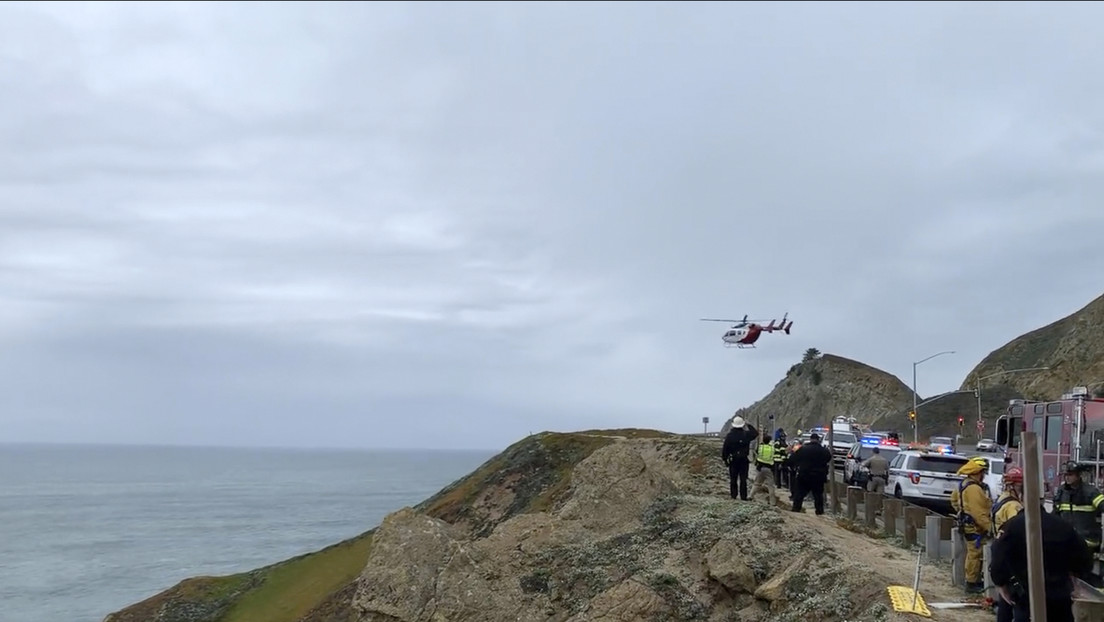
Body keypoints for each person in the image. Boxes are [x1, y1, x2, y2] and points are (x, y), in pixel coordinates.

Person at [990, 502, 1095, 622]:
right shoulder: (1063, 525)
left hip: (1025, 596)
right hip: (1059, 595)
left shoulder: (1012, 526)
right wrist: (1076, 575)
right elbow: (1084, 557)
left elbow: (998, 555)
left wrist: (1000, 583)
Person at [1052, 461, 1104, 586]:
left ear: (1078, 475)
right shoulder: (1061, 493)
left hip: (1087, 541)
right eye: (1066, 475)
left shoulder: (1090, 492)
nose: (1067, 477)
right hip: (1067, 541)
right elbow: (1055, 515)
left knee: (1083, 574)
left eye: (1070, 474)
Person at [950, 456, 993, 593]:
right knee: (975, 553)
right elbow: (979, 513)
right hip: (976, 527)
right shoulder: (974, 489)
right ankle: (971, 583)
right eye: (983, 473)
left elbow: (954, 501)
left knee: (972, 553)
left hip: (968, 525)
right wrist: (991, 529)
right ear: (978, 472)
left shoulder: (963, 484)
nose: (984, 476)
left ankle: (973, 580)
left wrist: (962, 512)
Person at [990, 467, 1026, 622]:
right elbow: (1019, 530)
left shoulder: (1001, 500)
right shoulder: (1014, 506)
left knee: (1005, 596)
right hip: (1013, 556)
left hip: (1001, 552)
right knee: (1018, 599)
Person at [789, 432, 832, 515]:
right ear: (818, 440)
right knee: (818, 496)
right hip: (818, 477)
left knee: (799, 494)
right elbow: (828, 458)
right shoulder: (824, 450)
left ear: (810, 439)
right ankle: (819, 512)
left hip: (804, 475)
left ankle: (796, 510)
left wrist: (794, 466)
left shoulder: (803, 449)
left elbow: (792, 459)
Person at [721, 416, 758, 501]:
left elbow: (725, 449)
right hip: (743, 460)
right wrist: (748, 424)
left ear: (733, 425)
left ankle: (733, 496)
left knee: (733, 479)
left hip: (733, 460)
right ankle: (743, 496)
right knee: (743, 479)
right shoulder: (746, 434)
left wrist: (725, 460)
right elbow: (755, 433)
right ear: (742, 424)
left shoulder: (729, 436)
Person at [750, 433, 777, 504]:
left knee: (757, 483)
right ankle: (772, 502)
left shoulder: (760, 447)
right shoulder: (772, 448)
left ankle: (750, 496)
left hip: (760, 467)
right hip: (769, 468)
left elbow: (755, 452)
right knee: (771, 486)